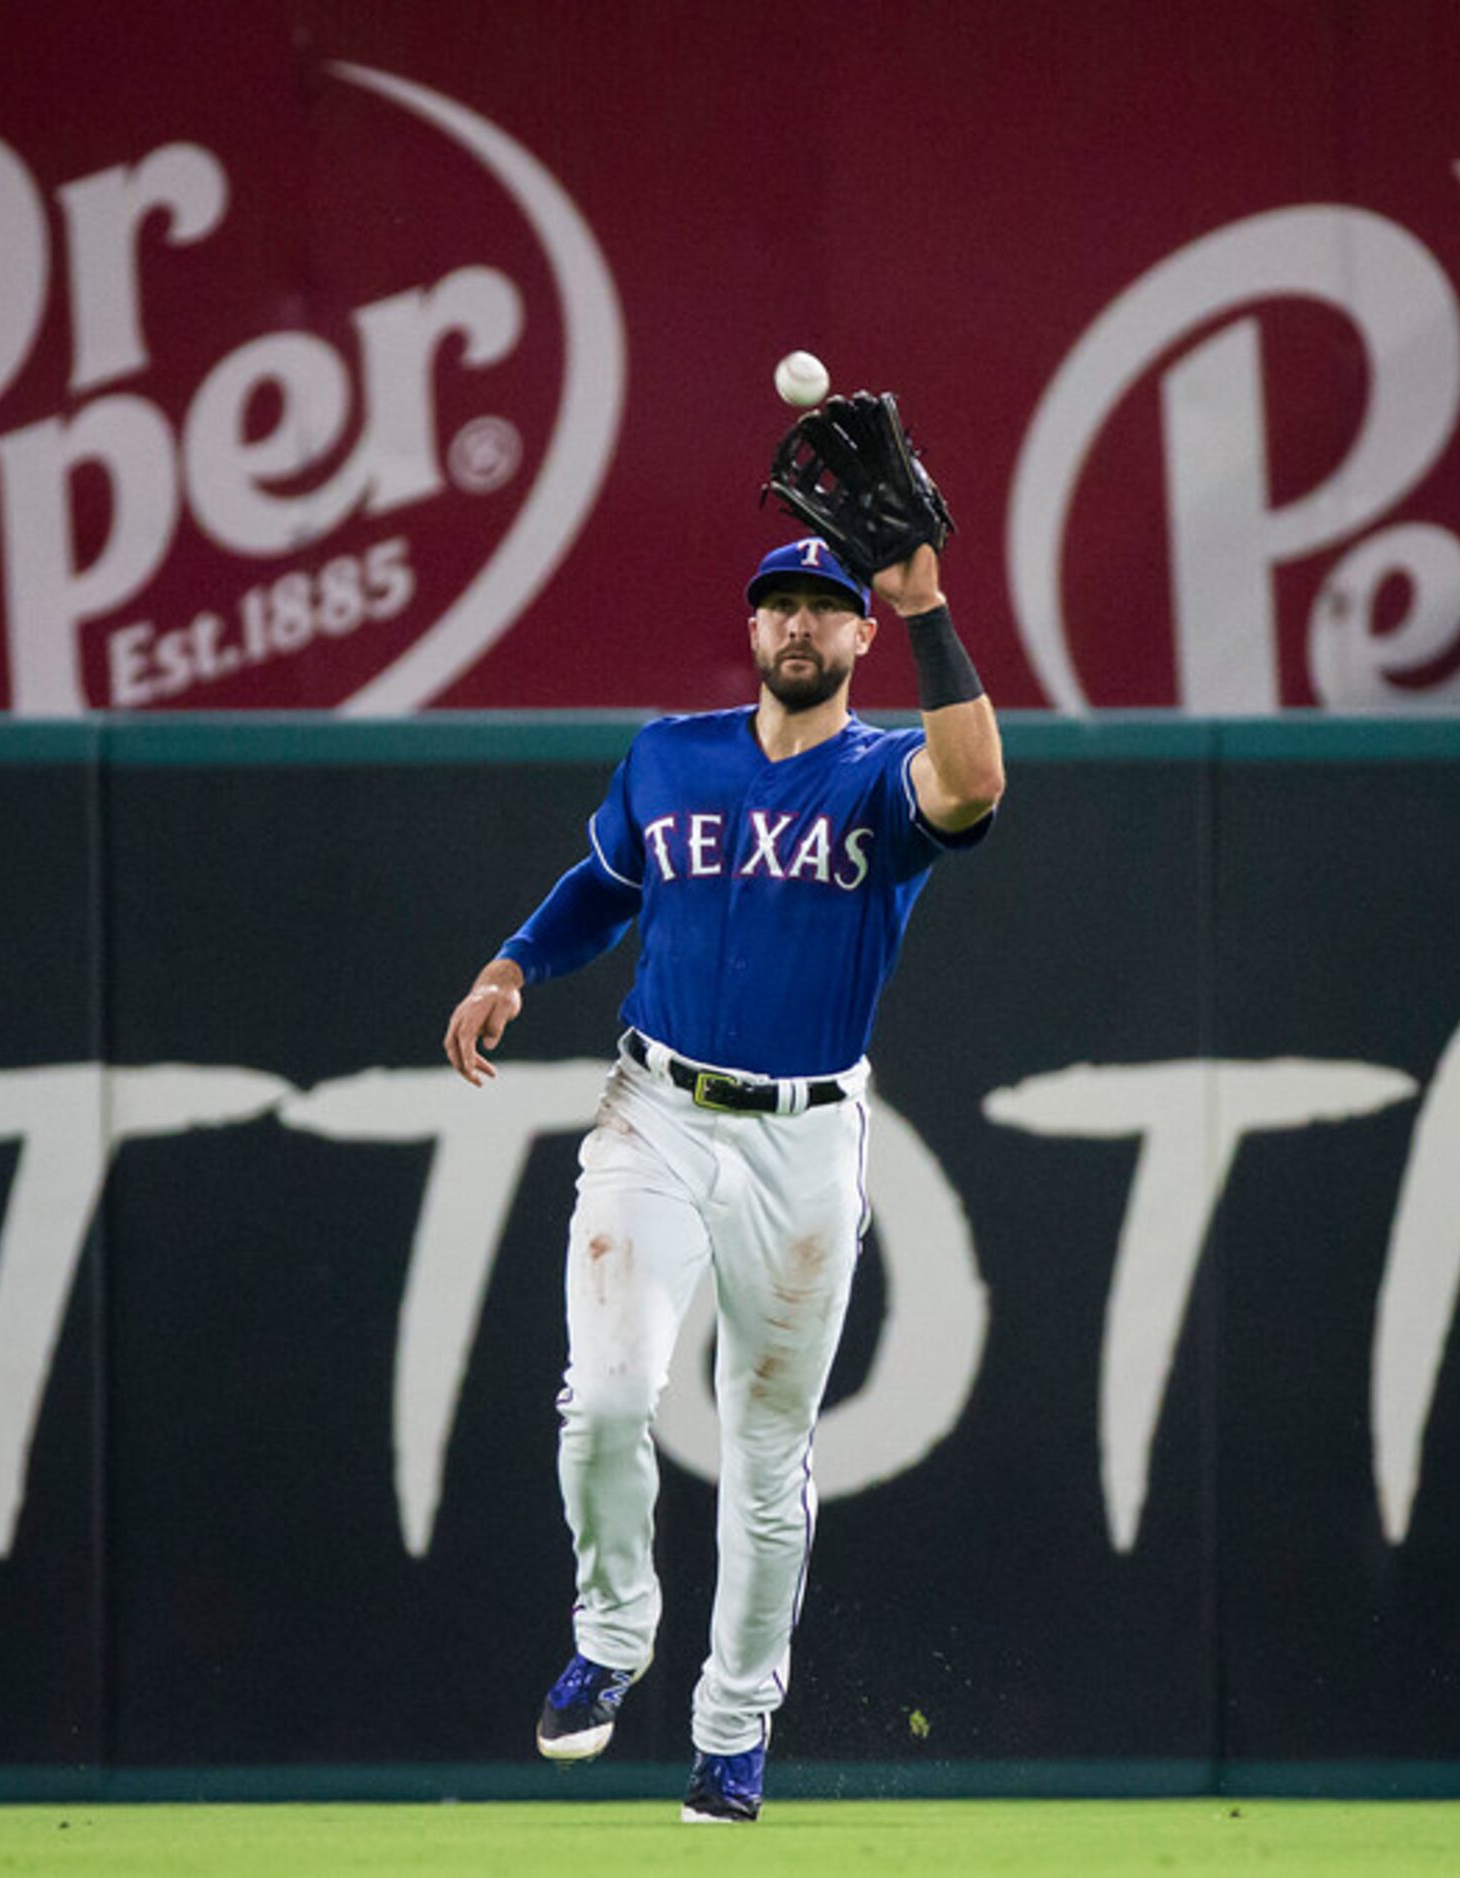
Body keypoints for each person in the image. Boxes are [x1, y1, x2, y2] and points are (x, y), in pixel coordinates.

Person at [442, 530, 1003, 1824]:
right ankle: (612, 1634)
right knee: (603, 1396)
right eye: (778, 606)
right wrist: (510, 966)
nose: (797, 625)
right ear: (751, 628)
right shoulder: (669, 753)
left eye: (823, 607)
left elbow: (972, 784)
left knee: (763, 1451)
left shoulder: (879, 774)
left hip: (803, 1137)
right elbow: (604, 881)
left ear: (858, 637)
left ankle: (733, 1728)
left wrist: (926, 608)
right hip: (654, 1108)